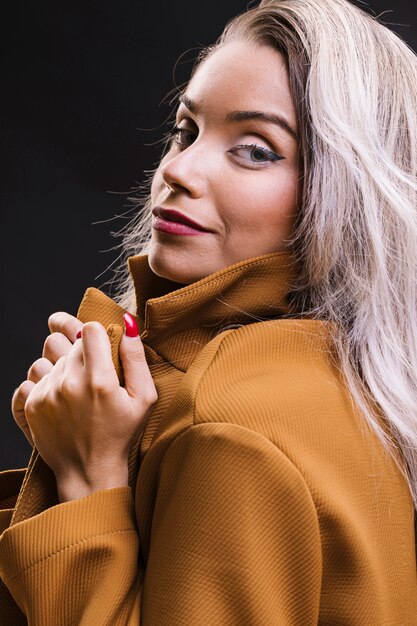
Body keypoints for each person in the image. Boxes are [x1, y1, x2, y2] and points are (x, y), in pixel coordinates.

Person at [1, 0, 417, 622]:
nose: (178, 170)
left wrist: (87, 482)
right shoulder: (355, 384)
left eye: (255, 150)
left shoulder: (228, 427)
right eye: (186, 130)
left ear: (345, 194)